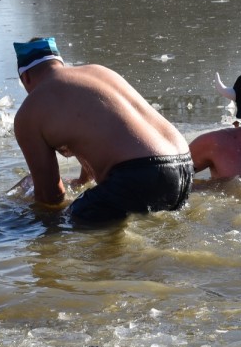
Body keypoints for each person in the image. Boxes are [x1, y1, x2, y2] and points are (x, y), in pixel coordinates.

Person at [11, 37, 192, 224]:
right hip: (184, 167)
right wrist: (82, 181)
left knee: (69, 220)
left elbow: (50, 196)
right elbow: (103, 129)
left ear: (25, 77)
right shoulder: (97, 72)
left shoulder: (31, 110)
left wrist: (21, 207)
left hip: (141, 173)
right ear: (59, 63)